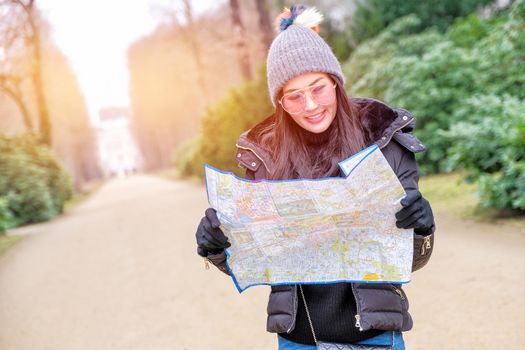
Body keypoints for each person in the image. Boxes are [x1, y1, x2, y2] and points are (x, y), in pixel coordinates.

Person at [195, 5, 435, 350]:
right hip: (298, 341)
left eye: (318, 88)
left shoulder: (383, 141)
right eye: (294, 96)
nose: (310, 105)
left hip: (377, 338)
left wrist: (423, 227)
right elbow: (256, 260)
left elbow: (412, 259)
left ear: (336, 82)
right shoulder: (264, 160)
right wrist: (217, 247)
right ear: (280, 102)